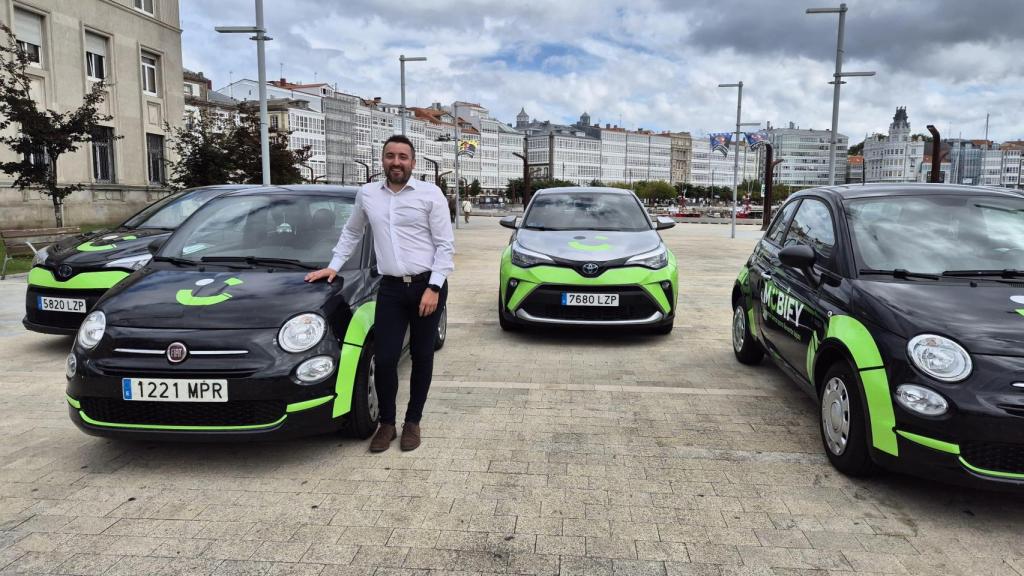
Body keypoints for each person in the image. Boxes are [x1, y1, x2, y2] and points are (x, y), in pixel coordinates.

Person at [305, 135, 454, 453]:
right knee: (385, 359)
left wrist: (434, 287)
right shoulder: (368, 194)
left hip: (427, 285)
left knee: (422, 356)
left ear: (413, 162)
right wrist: (333, 265)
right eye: (390, 156)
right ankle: (387, 423)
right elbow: (352, 231)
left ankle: (412, 422)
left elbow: (445, 245)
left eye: (403, 157)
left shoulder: (431, 194)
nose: (396, 162)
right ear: (382, 160)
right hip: (390, 288)